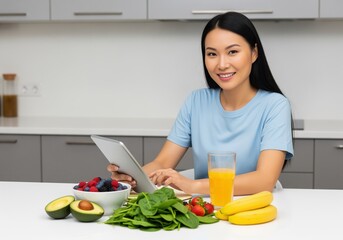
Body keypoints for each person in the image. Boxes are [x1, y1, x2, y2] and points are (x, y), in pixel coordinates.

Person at [107, 11, 294, 196]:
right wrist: (132, 179)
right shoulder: (196, 101)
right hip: (206, 206)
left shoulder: (275, 105)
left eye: (233, 52)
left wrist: (193, 186)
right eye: (212, 54)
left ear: (254, 53)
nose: (221, 64)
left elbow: (264, 180)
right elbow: (162, 163)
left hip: (254, 205)